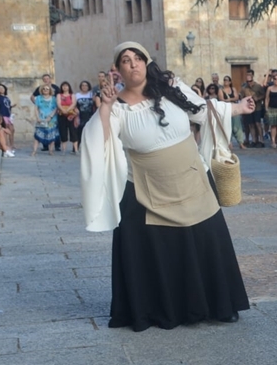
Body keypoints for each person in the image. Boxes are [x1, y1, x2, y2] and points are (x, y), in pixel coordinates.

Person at [80, 41, 253, 331]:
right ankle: (164, 310)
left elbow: (201, 111)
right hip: (147, 188)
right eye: (125, 60)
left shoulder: (172, 87)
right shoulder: (117, 105)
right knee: (161, 250)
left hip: (192, 179)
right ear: (118, 69)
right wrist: (106, 109)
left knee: (207, 240)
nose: (132, 63)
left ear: (147, 62)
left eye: (137, 58)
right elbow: (99, 142)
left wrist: (236, 108)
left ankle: (221, 305)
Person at [32, 84, 58, 155]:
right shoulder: (38, 98)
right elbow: (36, 108)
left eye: (47, 89)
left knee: (51, 135)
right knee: (37, 135)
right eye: (44, 89)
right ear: (41, 90)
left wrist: (50, 117)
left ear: (50, 90)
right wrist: (37, 118)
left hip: (52, 119)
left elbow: (56, 108)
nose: (45, 90)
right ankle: (34, 151)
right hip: (41, 118)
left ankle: (51, 150)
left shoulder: (54, 98)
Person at [56, 82, 79, 154]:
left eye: (66, 86)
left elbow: (73, 103)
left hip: (71, 115)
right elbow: (58, 103)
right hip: (61, 115)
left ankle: (76, 149)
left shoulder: (72, 95)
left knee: (73, 131)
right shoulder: (59, 95)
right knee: (63, 132)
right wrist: (63, 110)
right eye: (63, 86)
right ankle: (64, 149)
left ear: (69, 87)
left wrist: (67, 110)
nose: (65, 87)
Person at [74, 80, 97, 154]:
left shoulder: (91, 94)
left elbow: (95, 103)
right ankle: (76, 147)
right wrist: (75, 109)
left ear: (88, 86)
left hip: (90, 115)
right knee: (79, 131)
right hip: (80, 115)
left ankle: (89, 148)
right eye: (83, 85)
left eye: (86, 85)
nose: (84, 87)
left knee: (90, 131)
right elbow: (74, 105)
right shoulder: (77, 95)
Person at [0, 84, 16, 153]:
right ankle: (6, 145)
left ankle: (12, 144)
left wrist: (12, 106)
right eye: (0, 88)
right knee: (6, 130)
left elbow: (7, 106)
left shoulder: (6, 97)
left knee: (12, 130)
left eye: (2, 88)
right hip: (3, 115)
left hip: (8, 115)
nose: (1, 89)